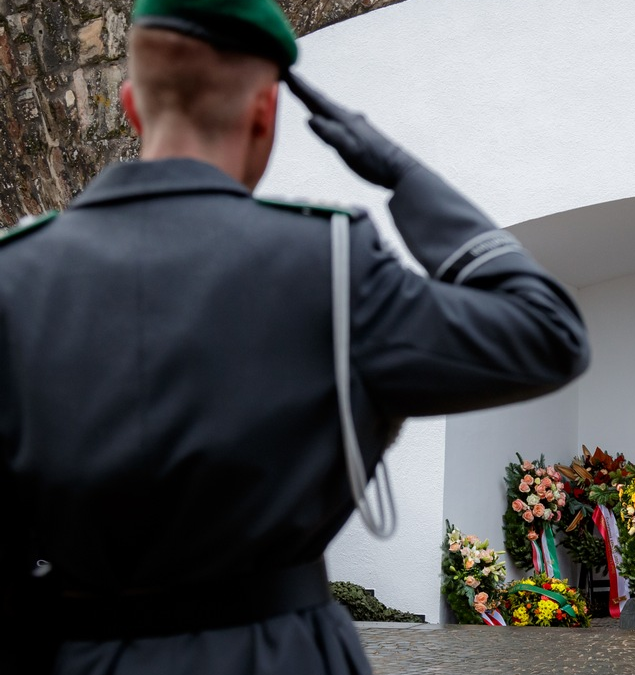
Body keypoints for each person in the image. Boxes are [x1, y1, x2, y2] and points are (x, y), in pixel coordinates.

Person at [0, 0, 589, 672]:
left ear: (132, 107)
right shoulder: (334, 266)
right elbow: (548, 334)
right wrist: (405, 174)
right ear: (265, 111)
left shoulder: (14, 278)